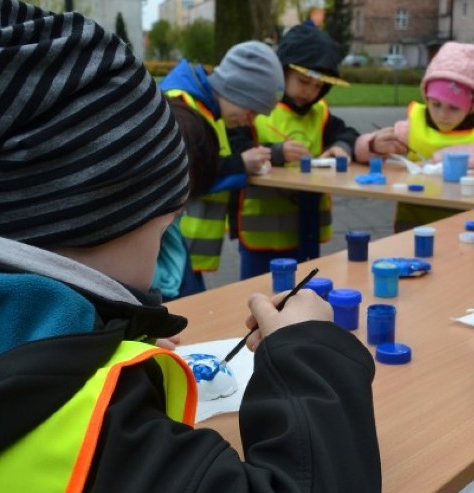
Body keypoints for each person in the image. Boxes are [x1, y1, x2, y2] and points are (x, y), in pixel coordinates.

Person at [0, 2, 382, 493]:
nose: (159, 261)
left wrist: (94, 339)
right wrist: (311, 353)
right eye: (164, 226)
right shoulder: (94, 439)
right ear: (99, 218)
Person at [237, 24, 362, 278]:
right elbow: (238, 147)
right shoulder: (258, 108)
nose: (310, 92)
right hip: (263, 233)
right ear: (282, 71)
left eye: (318, 86)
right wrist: (277, 152)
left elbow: (347, 133)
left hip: (307, 229)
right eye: (303, 81)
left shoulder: (320, 112)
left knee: (304, 297)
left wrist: (341, 147)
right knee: (257, 298)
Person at [356, 41, 474, 232]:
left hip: (470, 222)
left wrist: (445, 157)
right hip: (415, 221)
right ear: (426, 97)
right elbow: (361, 152)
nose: (442, 115)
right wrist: (373, 145)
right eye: (435, 104)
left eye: (454, 108)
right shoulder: (417, 122)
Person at [159, 41, 283, 283]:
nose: (250, 121)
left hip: (180, 246)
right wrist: (240, 165)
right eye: (252, 111)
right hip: (171, 246)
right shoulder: (183, 106)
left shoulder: (209, 109)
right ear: (236, 91)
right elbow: (187, 174)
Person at [151, 99, 221, 300]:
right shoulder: (114, 257)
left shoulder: (170, 233)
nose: (182, 209)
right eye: (178, 194)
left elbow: (195, 300)